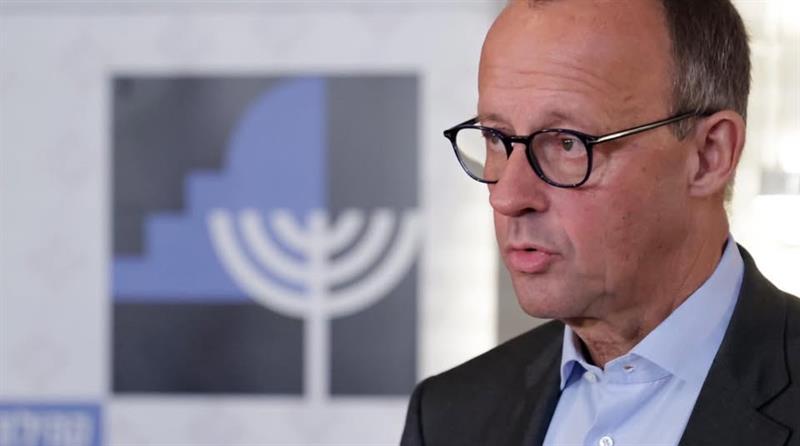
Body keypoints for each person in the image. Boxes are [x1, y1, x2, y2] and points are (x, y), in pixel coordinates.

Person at [401, 0, 800, 444]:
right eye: (496, 138)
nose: (508, 197)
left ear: (709, 155)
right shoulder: (447, 417)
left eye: (567, 143)